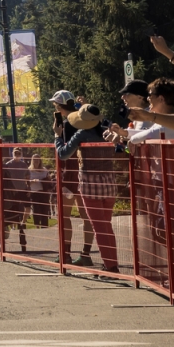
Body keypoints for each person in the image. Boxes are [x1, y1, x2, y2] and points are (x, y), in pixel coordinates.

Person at [56, 104, 124, 272]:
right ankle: (111, 262)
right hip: (109, 184)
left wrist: (57, 137)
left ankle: (111, 266)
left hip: (90, 186)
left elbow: (63, 153)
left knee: (99, 227)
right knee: (106, 226)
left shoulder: (82, 134)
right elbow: (122, 150)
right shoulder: (107, 132)